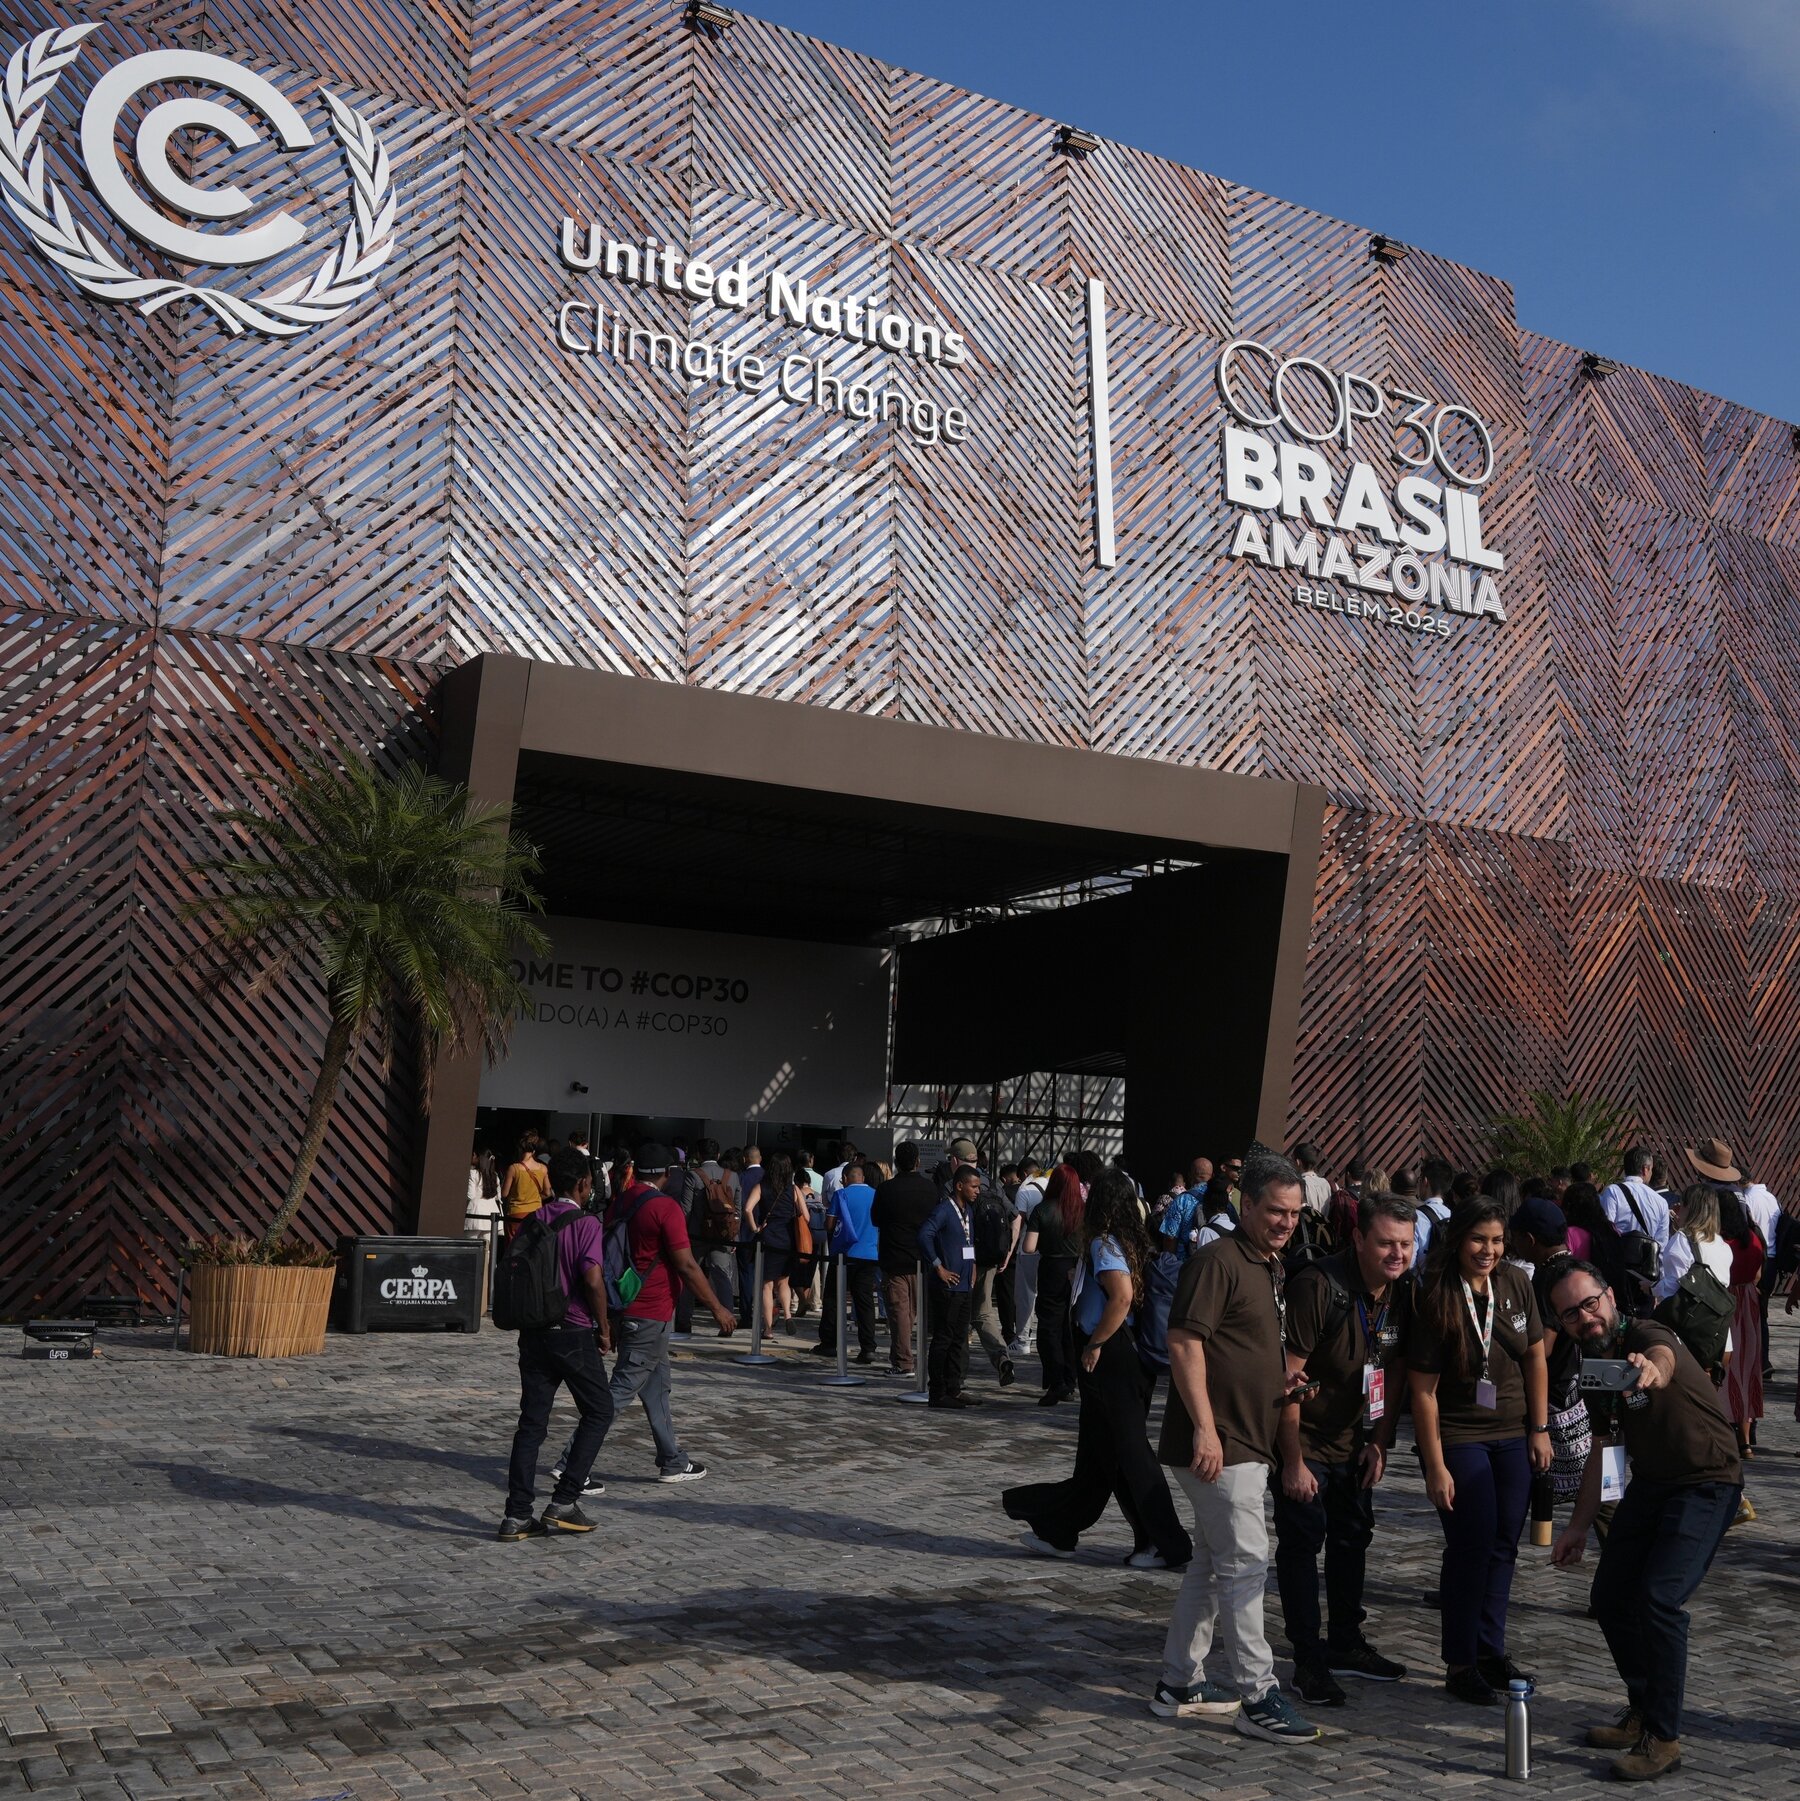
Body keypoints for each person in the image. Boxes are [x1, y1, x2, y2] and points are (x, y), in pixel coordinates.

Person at [1548, 1260, 1743, 1782]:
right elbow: (1604, 1450)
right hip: (1654, 1484)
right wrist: (1578, 1526)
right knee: (1610, 1596)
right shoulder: (1593, 1365)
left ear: (1610, 1296)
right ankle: (1641, 1707)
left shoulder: (1645, 1333)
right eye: (1570, 1314)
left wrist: (1653, 1369)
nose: (1585, 1317)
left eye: (1590, 1303)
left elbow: (1662, 1356)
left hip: (1707, 1480)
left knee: (1659, 1598)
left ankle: (1664, 1737)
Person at [1151, 1153, 1320, 1744]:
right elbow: (1183, 1342)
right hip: (1222, 1443)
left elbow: (1237, 1346)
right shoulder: (1218, 1260)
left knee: (1212, 1562)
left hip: (1248, 1436)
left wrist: (1281, 1379)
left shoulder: (1268, 1263)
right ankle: (1258, 1693)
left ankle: (1179, 1681)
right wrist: (1204, 1428)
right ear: (1246, 1205)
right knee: (1246, 1563)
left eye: (1294, 1213)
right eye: (1275, 1210)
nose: (1286, 1222)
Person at [1003, 1170, 1192, 1568]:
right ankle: (1062, 1528)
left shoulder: (1104, 1242)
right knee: (1099, 1453)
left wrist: (1094, 1345)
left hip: (1111, 1354)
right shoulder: (1134, 1240)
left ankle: (1165, 1541)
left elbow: (1121, 1297)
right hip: (1125, 1354)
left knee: (1128, 1451)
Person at [1275, 1194, 1417, 1706]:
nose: (1397, 1254)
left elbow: (1394, 1369)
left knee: (1352, 1540)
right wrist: (1292, 1462)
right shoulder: (1319, 1287)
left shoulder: (1403, 1291)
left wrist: (1379, 1440)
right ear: (1358, 1238)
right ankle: (1307, 1659)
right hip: (1305, 1439)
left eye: (1406, 1244)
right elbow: (1288, 1380)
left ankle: (1345, 1643)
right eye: (1385, 1243)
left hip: (1355, 1440)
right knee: (1302, 1545)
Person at [1408, 1197, 1552, 1705]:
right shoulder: (1436, 1292)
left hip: (1513, 1431)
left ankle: (1491, 1650)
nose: (1488, 1250)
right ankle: (1461, 1662)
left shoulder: (1515, 1282)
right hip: (1459, 1435)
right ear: (1457, 1240)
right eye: (1477, 1239)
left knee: (1504, 1544)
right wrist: (1435, 1465)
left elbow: (1536, 1356)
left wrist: (1539, 1428)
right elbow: (1422, 1391)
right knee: (1471, 1543)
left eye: (1496, 1240)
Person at [584, 1142, 735, 1484]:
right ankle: (571, 1463)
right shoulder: (665, 1208)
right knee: (619, 1391)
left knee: (657, 1389)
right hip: (651, 1311)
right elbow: (686, 1265)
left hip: (627, 1304)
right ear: (667, 1174)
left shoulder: (623, 1200)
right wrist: (717, 1308)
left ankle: (672, 1460)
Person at [498, 1148, 614, 1540]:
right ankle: (564, 1500)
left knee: (531, 1424)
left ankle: (517, 1515)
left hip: (534, 1332)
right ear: (584, 1184)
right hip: (573, 1330)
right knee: (599, 1410)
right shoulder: (586, 1224)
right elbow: (593, 1280)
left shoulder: (534, 1219)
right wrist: (604, 1327)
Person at [871, 1143, 938, 1375]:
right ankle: (903, 1356)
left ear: (896, 1162)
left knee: (899, 1311)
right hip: (922, 1256)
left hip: (895, 1256)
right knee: (911, 1311)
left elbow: (876, 1219)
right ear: (918, 1161)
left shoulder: (886, 1189)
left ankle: (903, 1360)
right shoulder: (930, 1189)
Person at [919, 1162, 981, 1409]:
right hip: (948, 1286)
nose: (977, 1191)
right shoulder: (945, 1210)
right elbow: (924, 1234)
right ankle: (937, 1391)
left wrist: (973, 1264)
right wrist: (938, 1266)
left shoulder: (968, 1211)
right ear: (959, 1186)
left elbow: (969, 1240)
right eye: (973, 1186)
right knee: (943, 1337)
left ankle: (954, 1388)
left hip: (964, 1284)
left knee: (959, 1337)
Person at [1022, 1158, 1084, 1404]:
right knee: (1071, 1327)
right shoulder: (1084, 1210)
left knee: (1049, 1327)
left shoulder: (1043, 1210)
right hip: (1077, 1270)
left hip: (1051, 1270)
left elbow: (1029, 1247)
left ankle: (1056, 1381)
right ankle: (1070, 1380)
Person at [1715, 1188, 1764, 1489]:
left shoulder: (1722, 1244)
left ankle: (1726, 1436)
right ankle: (1746, 1441)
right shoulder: (1753, 1240)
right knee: (1747, 1370)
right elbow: (1758, 1275)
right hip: (1750, 1304)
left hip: (1727, 1303)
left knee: (1727, 1370)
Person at [815, 1160, 880, 1363]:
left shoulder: (841, 1194)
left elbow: (830, 1224)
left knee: (833, 1298)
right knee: (865, 1302)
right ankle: (868, 1348)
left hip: (844, 1254)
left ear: (844, 1178)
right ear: (863, 1177)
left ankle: (829, 1343)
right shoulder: (875, 1194)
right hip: (869, 1254)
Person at [744, 1150, 803, 1335]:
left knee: (767, 1285)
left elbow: (747, 1209)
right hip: (787, 1238)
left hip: (768, 1237)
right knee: (784, 1282)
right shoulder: (793, 1189)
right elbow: (805, 1215)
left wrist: (755, 1228)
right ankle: (788, 1315)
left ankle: (768, 1329)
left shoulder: (761, 1186)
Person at [1009, 1158, 1047, 1357]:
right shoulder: (1051, 1184)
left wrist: (1009, 1252)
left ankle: (1022, 1340)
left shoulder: (1024, 1190)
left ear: (1023, 1174)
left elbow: (1017, 1225)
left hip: (1028, 1250)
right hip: (1051, 1250)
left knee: (1025, 1295)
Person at [1599, 1146, 1672, 1250]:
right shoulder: (1661, 1202)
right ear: (1645, 1169)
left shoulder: (1613, 1191)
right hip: (1644, 1258)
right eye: (1651, 1169)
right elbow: (1661, 1245)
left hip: (1614, 1254)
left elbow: (1604, 1230)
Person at [501, 1132, 551, 1240]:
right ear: (534, 1150)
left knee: (513, 1247)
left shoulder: (514, 1168)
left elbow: (504, 1194)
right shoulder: (543, 1168)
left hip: (516, 1214)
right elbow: (548, 1193)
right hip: (536, 1214)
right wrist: (535, 1197)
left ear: (520, 1149)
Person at [735, 1143, 763, 1325]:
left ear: (745, 1159)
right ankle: (767, 1314)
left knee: (746, 1274)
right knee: (767, 1277)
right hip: (769, 1233)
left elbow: (738, 1206)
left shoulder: (740, 1178)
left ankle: (746, 1315)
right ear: (760, 1158)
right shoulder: (769, 1177)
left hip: (745, 1232)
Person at [1411, 1156, 1455, 1269]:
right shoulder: (1454, 1215)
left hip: (1422, 1278)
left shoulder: (1416, 1217)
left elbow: (1410, 1262)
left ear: (1425, 1181)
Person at [466, 1148, 501, 1233]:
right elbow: (498, 1197)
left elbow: (470, 1195)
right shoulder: (495, 1176)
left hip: (476, 1213)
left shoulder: (473, 1173)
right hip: (492, 1212)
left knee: (471, 1241)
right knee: (488, 1241)